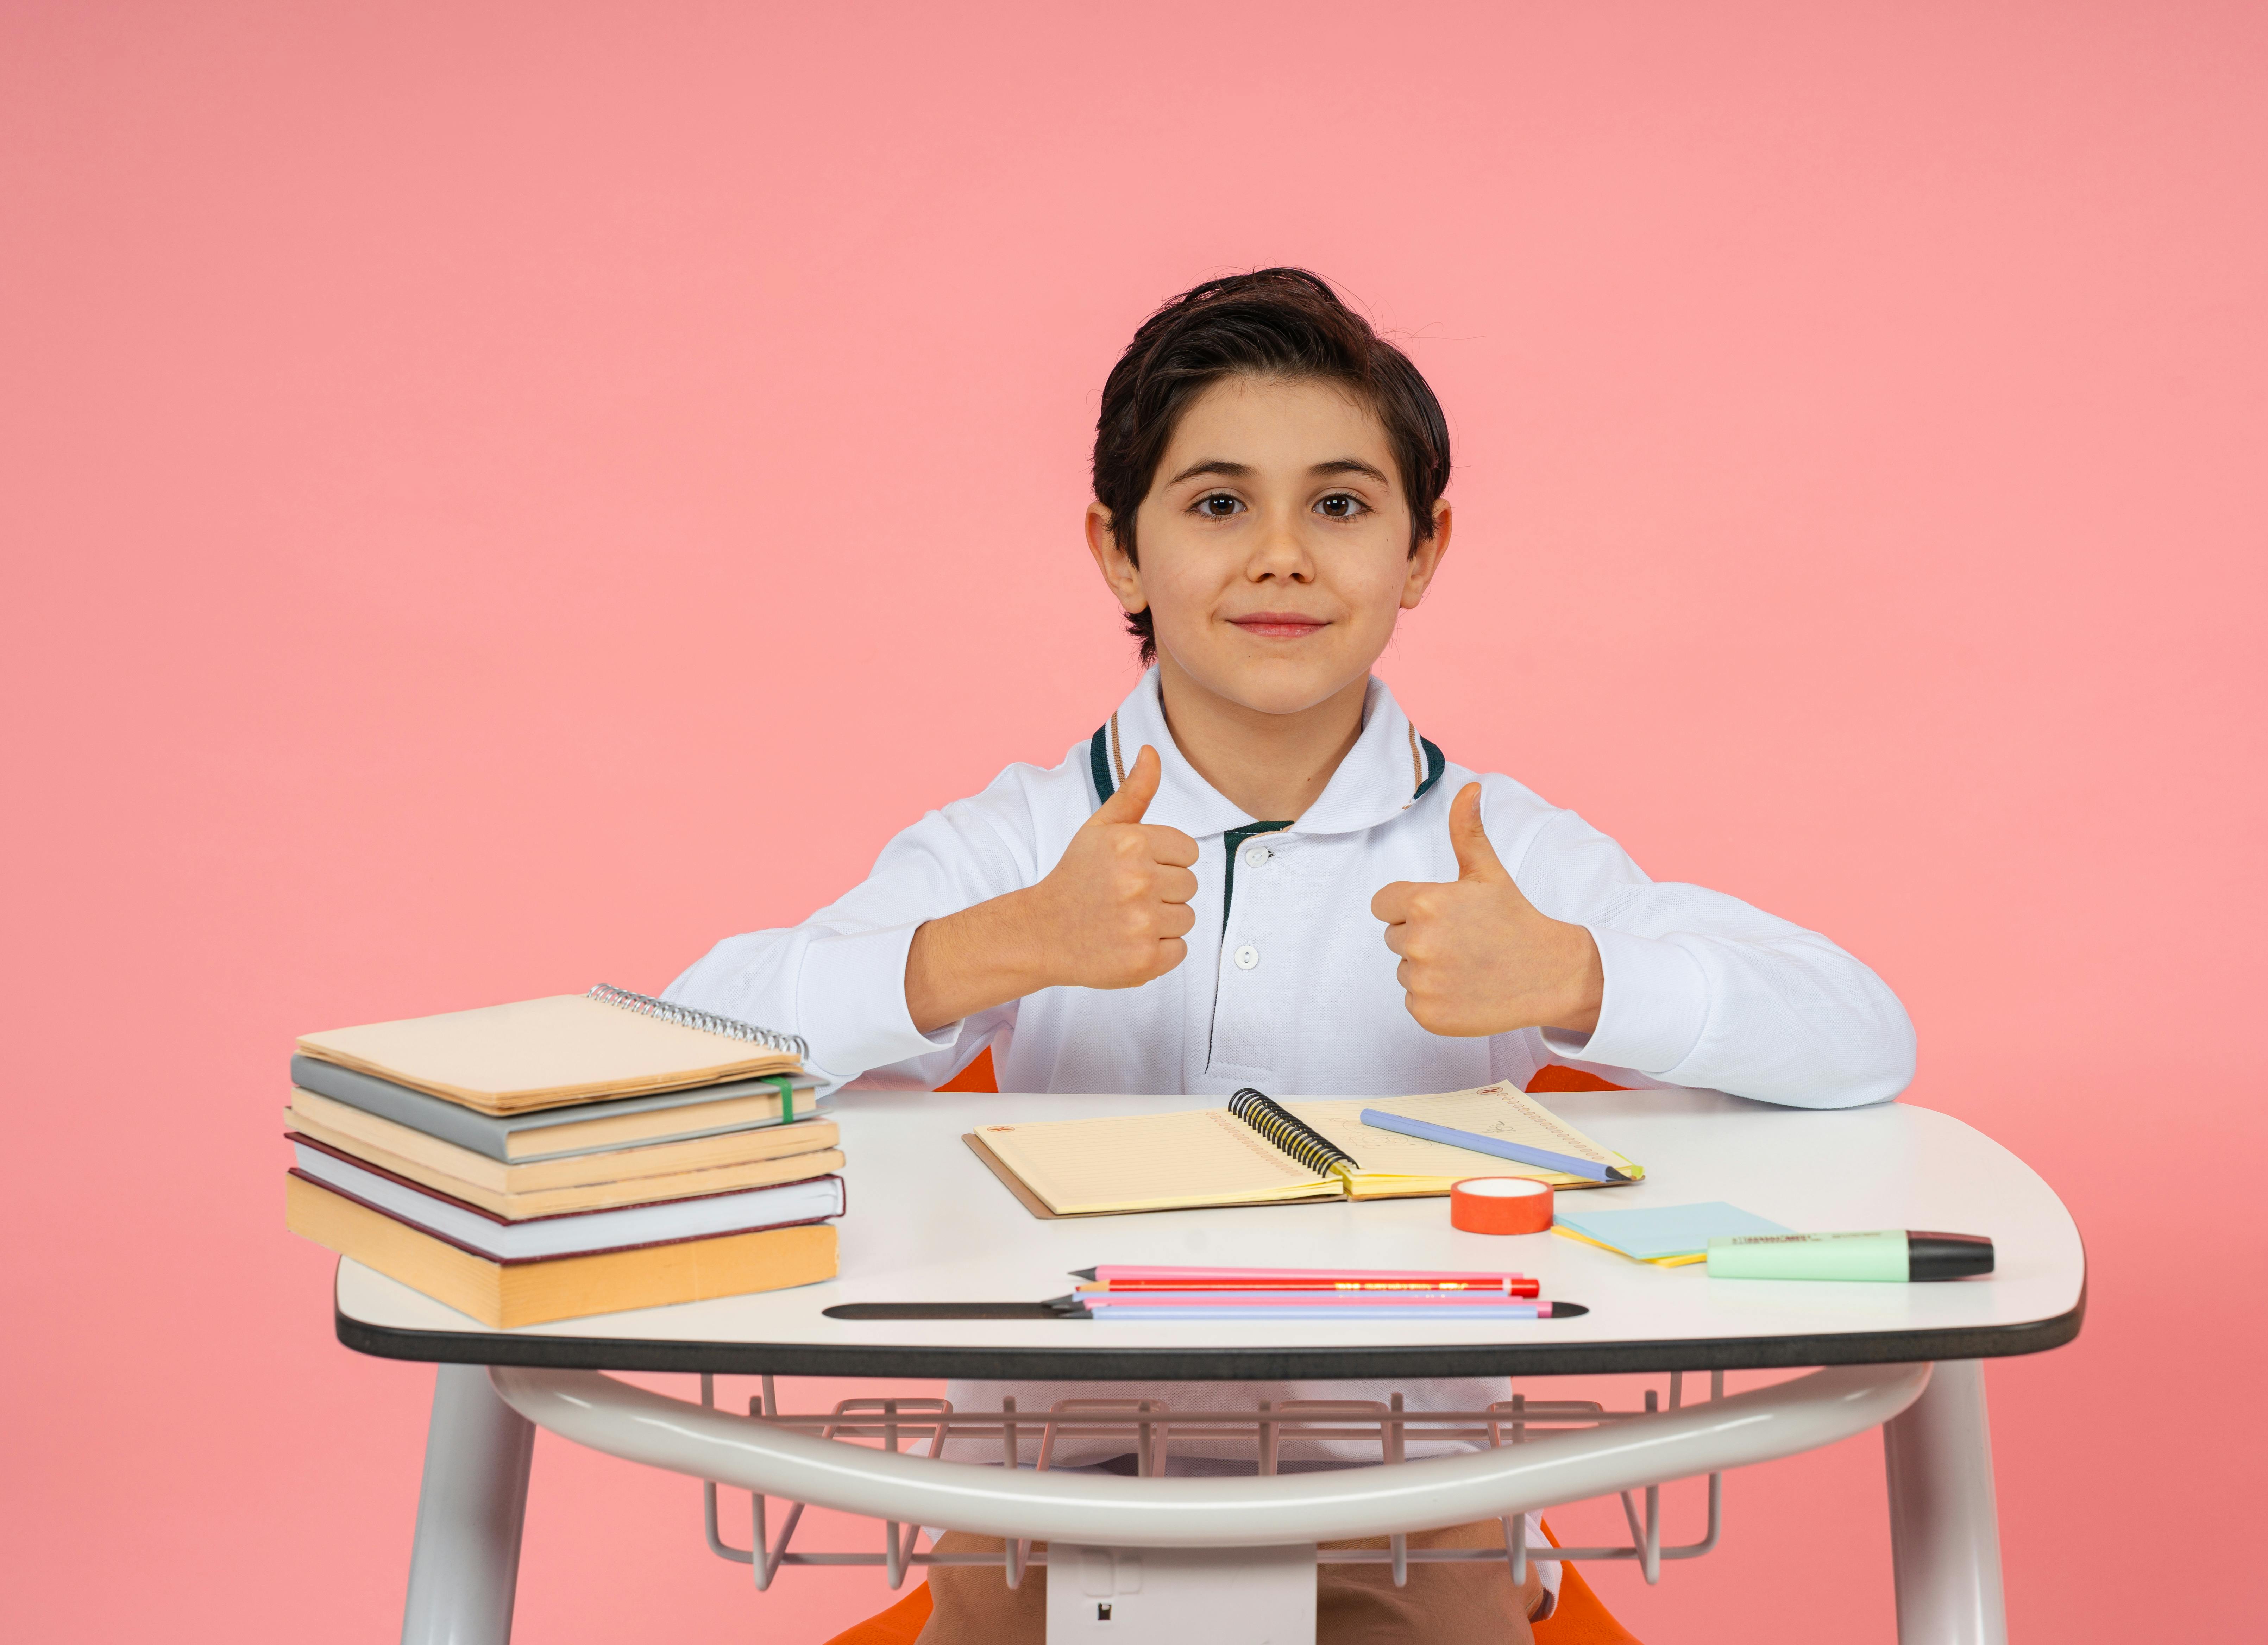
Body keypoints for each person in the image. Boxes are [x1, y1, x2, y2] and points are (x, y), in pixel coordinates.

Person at [664, 269, 1916, 1641]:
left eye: (1338, 502)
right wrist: (1002, 943)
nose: (1280, 554)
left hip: (1412, 1511)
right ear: (1119, 550)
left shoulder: (1497, 848)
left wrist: (1577, 978)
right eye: (1216, 503)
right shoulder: (1021, 835)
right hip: (1056, 1509)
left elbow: (1864, 1033)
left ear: (1421, 549)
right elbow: (680, 1051)